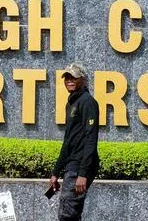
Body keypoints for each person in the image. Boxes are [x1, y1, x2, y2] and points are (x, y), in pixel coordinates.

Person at [47, 62, 100, 221]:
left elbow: (91, 138)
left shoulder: (88, 102)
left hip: (80, 167)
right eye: (67, 77)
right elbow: (68, 140)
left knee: (67, 214)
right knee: (70, 214)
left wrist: (83, 174)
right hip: (71, 165)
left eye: (73, 77)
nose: (69, 80)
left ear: (83, 80)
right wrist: (56, 172)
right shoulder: (71, 103)